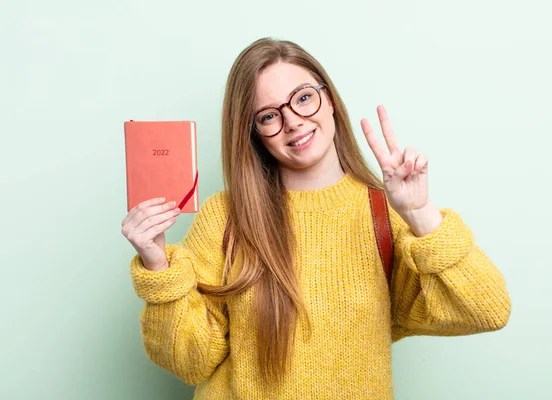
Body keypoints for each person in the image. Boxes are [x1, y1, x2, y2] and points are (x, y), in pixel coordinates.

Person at [121, 37, 511, 399]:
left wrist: (419, 213)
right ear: (254, 134)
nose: (292, 120)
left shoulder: (385, 213)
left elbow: (485, 310)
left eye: (303, 98)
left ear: (330, 100)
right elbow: (190, 362)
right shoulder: (226, 217)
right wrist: (158, 267)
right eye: (268, 116)